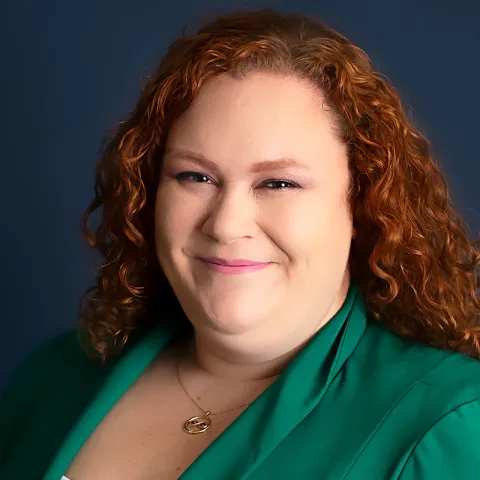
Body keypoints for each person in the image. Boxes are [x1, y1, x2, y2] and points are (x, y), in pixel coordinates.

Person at [1, 7, 479, 480]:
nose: (227, 225)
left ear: (363, 203)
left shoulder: (446, 426)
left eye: (279, 183)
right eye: (196, 176)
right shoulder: (56, 376)